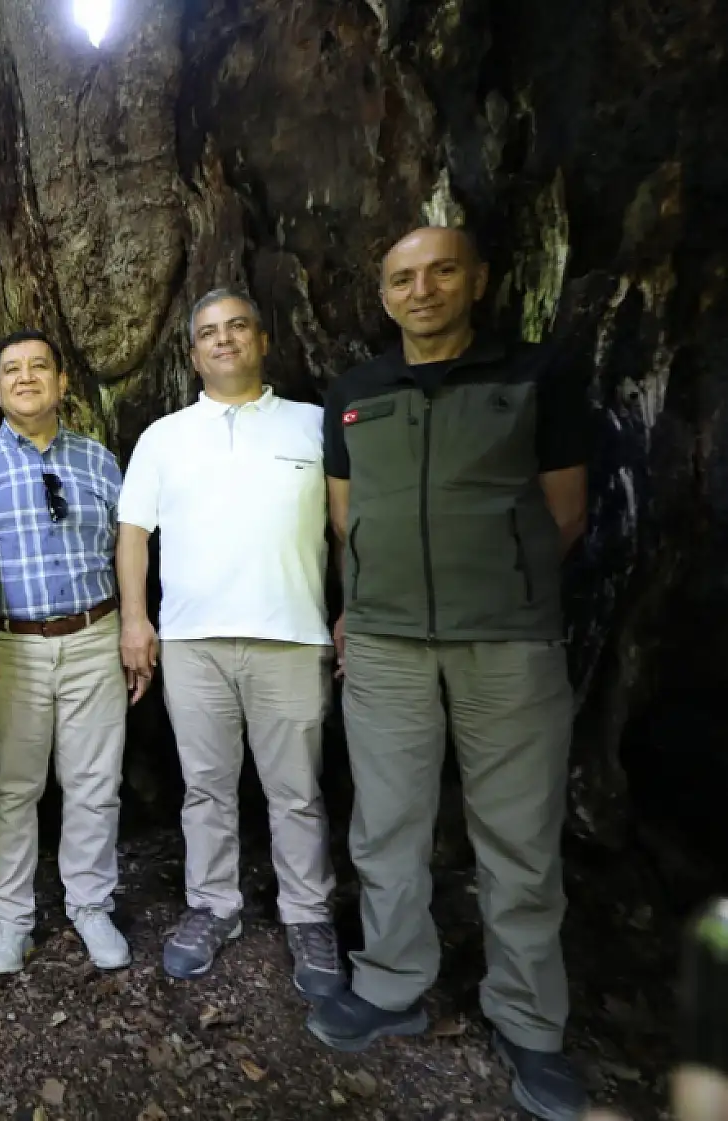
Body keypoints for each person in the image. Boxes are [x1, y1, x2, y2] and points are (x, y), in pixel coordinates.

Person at [306, 227, 591, 1121]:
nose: (421, 289)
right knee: (386, 819)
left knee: (519, 833)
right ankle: (392, 981)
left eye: (440, 271)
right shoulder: (356, 392)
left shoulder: (535, 375)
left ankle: (530, 1021)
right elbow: (346, 520)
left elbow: (566, 511)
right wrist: (367, 602)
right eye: (401, 277)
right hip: (387, 643)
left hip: (507, 640)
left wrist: (498, 581)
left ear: (478, 278)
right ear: (384, 294)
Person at [116, 289, 343, 998]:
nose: (223, 340)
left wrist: (354, 612)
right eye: (209, 333)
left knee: (297, 790)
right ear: (192, 354)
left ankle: (308, 916)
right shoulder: (164, 436)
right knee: (205, 787)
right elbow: (133, 536)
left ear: (262, 339)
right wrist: (135, 619)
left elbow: (348, 530)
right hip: (193, 641)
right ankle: (214, 905)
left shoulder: (314, 424)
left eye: (237, 326)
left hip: (292, 635)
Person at [0, 329, 131, 974]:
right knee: (13, 788)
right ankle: (11, 918)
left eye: (39, 367)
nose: (26, 378)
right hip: (10, 646)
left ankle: (91, 905)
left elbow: (125, 550)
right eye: (12, 371)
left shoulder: (101, 462)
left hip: (93, 637)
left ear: (62, 383)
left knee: (95, 783)